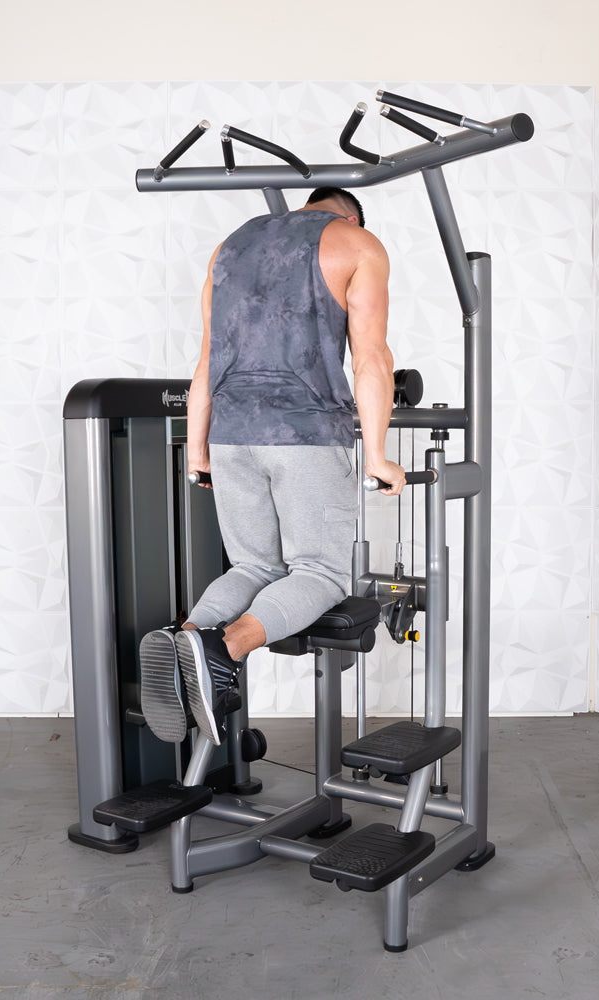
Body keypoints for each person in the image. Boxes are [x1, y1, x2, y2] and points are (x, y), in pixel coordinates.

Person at [140, 187, 405, 747]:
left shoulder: (230, 246)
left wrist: (197, 449)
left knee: (253, 566)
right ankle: (222, 650)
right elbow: (372, 358)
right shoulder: (358, 244)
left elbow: (207, 360)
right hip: (305, 436)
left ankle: (184, 639)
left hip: (231, 434)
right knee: (320, 574)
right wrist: (378, 456)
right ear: (350, 216)